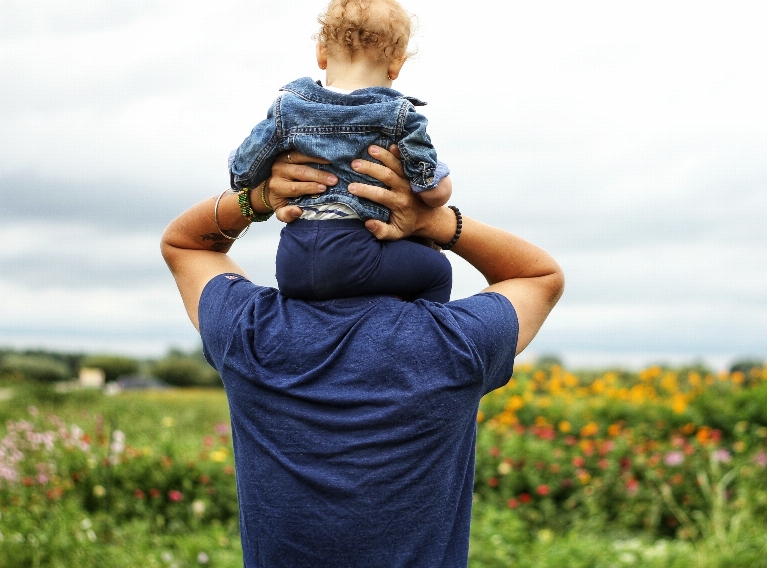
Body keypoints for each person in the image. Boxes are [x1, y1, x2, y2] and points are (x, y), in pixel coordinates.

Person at [161, 146, 564, 567]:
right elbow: (538, 275)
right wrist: (436, 220)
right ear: (418, 252)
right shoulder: (455, 342)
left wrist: (258, 198)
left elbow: (186, 245)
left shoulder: (251, 331)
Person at [229, 0, 454, 303]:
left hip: (292, 260)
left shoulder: (287, 107)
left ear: (321, 54)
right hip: (357, 254)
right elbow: (432, 191)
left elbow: (243, 172)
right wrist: (439, 183)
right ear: (396, 65)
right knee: (437, 270)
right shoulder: (399, 115)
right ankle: (420, 337)